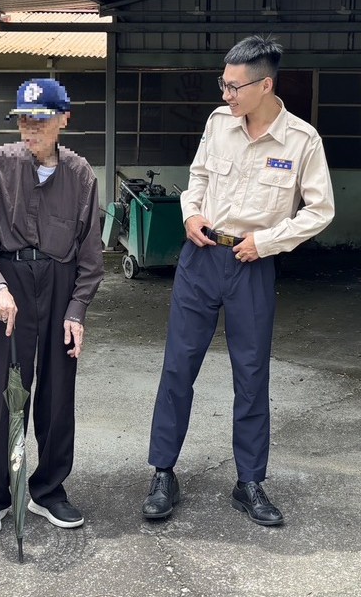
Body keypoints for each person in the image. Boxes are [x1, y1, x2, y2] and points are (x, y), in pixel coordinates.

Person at [142, 35, 335, 527]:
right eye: (223, 84)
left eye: (234, 86)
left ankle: (249, 482)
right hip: (201, 258)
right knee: (178, 368)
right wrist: (190, 213)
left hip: (252, 264)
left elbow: (320, 211)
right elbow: (199, 176)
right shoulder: (218, 122)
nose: (225, 94)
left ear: (265, 85)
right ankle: (163, 473)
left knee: (251, 376)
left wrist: (267, 242)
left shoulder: (302, 140)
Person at [0, 78, 104, 537]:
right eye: (24, 119)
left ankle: (49, 489)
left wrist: (77, 310)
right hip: (12, 282)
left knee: (59, 393)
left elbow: (90, 253)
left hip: (61, 281)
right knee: (7, 391)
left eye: (41, 120)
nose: (31, 129)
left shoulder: (81, 174)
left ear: (64, 120)